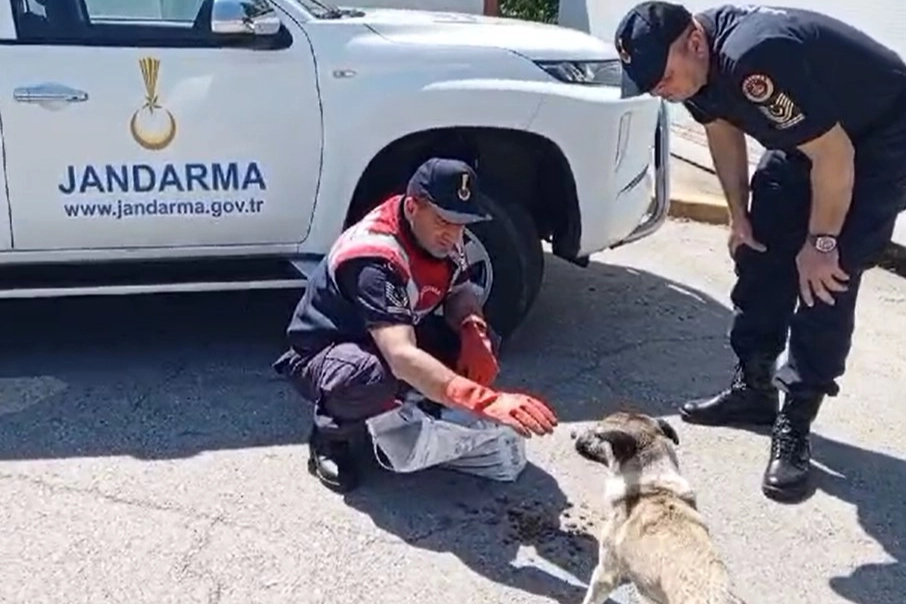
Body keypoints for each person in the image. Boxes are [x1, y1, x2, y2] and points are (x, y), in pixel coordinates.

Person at [614, 2, 906, 501]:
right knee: (760, 242)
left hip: (882, 137)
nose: (660, 91)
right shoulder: (692, 70)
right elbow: (720, 127)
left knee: (826, 274)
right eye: (650, 85)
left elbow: (835, 155)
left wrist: (821, 243)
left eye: (662, 79)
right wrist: (738, 214)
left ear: (695, 42)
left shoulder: (756, 57)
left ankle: (796, 420)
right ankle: (754, 388)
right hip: (816, 135)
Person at [272, 157, 558, 493]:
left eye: (461, 223)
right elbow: (401, 355)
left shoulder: (441, 233)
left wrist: (473, 328)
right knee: (371, 376)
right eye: (444, 221)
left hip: (391, 330)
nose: (453, 234)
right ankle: (330, 437)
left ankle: (410, 406)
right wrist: (484, 401)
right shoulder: (375, 260)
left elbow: (459, 291)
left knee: (481, 341)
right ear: (412, 207)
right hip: (328, 350)